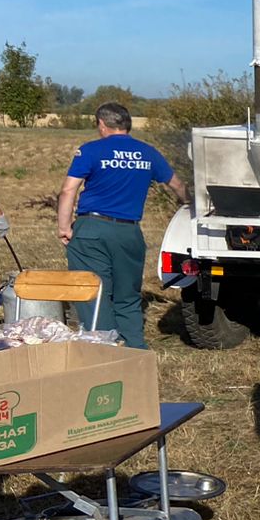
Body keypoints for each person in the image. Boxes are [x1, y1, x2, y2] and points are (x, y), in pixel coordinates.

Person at [56, 102, 189, 348]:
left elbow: (68, 191)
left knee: (94, 293)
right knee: (127, 295)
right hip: (129, 232)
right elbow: (178, 186)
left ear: (102, 124)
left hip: (92, 229)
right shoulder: (148, 152)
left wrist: (64, 227)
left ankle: (103, 349)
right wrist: (190, 207)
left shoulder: (91, 151)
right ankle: (135, 349)